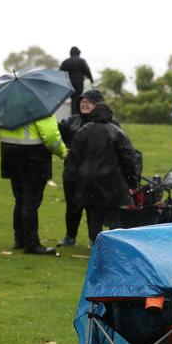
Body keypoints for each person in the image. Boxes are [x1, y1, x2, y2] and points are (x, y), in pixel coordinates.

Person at [63, 102, 138, 244]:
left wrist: (74, 180)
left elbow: (74, 157)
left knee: (94, 214)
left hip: (87, 181)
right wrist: (132, 182)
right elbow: (128, 159)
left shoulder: (83, 131)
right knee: (114, 214)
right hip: (112, 181)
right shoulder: (116, 132)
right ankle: (115, 245)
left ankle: (96, 245)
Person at [0, 115, 67, 255]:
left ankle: (20, 239)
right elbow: (50, 136)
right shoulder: (40, 108)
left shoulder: (9, 106)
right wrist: (63, 152)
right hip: (33, 157)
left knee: (20, 199)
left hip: (10, 154)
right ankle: (32, 244)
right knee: (30, 202)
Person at [56, 89, 105, 247]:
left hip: (94, 173)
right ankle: (70, 237)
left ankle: (93, 239)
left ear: (98, 105)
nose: (84, 103)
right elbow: (55, 133)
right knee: (72, 206)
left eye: (89, 101)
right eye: (82, 101)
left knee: (93, 207)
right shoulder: (71, 121)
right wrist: (63, 148)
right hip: (72, 172)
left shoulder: (105, 124)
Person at [59, 46, 94, 115]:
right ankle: (77, 114)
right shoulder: (81, 61)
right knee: (78, 98)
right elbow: (87, 71)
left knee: (73, 99)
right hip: (79, 83)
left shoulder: (66, 62)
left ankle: (74, 114)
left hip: (69, 84)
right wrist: (91, 80)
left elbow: (60, 74)